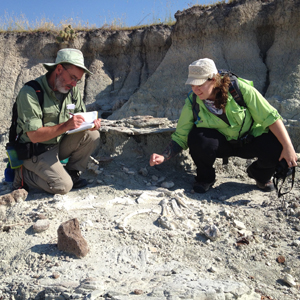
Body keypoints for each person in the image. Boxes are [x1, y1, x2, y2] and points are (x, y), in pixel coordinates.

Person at [149, 58, 297, 193]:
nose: (195, 89)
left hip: (248, 140)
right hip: (221, 145)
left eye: (199, 84)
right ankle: (205, 178)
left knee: (277, 144)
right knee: (196, 136)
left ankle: (260, 175)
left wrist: (288, 147)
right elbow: (181, 135)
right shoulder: (193, 101)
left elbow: (270, 117)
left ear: (214, 79)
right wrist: (164, 156)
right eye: (192, 84)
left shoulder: (240, 90)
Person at [12, 48, 101, 194]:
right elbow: (34, 136)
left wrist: (90, 124)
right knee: (63, 187)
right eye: (72, 77)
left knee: (92, 136)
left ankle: (72, 173)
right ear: (59, 69)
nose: (74, 83)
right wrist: (67, 125)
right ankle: (23, 175)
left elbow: (80, 117)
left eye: (77, 80)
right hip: (36, 151)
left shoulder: (72, 91)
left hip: (57, 145)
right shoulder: (30, 92)